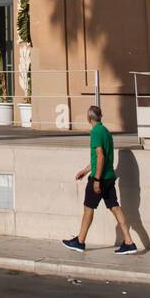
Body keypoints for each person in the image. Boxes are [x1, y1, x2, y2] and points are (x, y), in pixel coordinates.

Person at [62, 105, 138, 255]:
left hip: (100, 178)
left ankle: (80, 241)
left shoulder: (95, 132)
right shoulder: (106, 132)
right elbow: (100, 158)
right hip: (109, 177)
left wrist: (96, 179)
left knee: (88, 208)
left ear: (89, 118)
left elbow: (101, 156)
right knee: (115, 207)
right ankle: (129, 241)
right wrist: (85, 170)